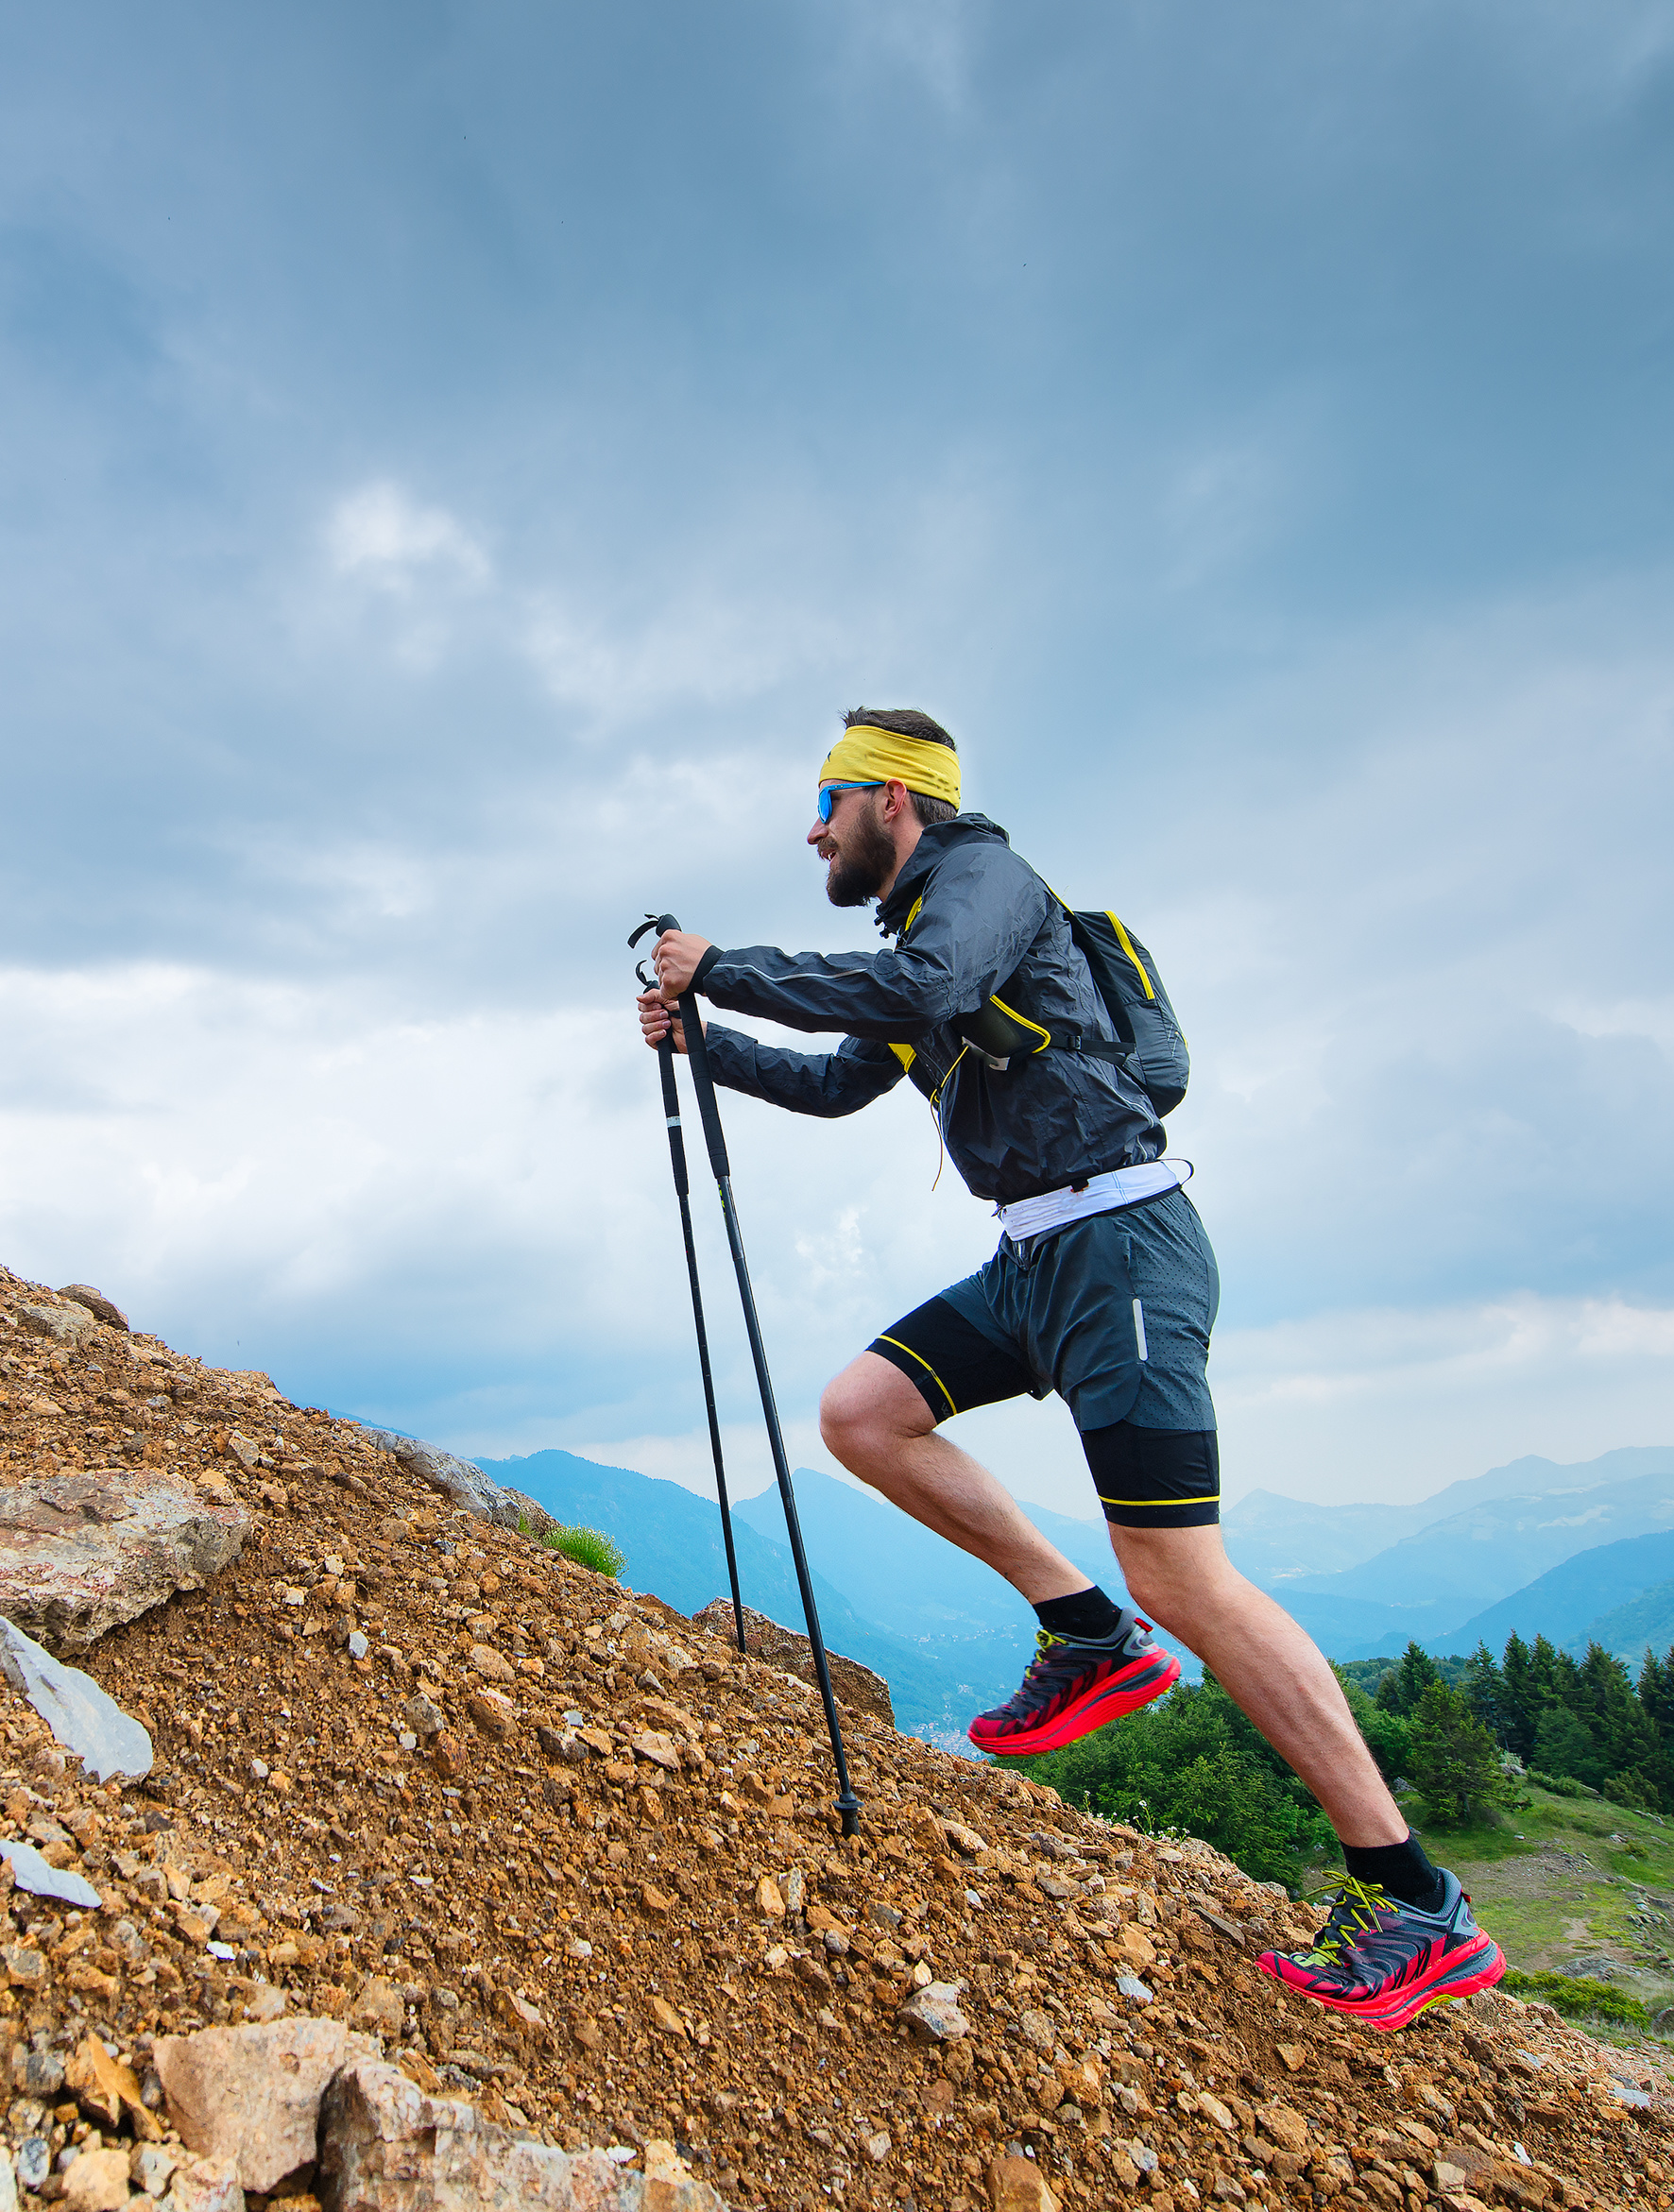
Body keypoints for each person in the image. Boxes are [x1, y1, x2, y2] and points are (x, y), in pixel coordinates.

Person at [634, 707, 1504, 2031]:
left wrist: (724, 970)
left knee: (1183, 1570)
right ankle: (1090, 1634)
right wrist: (707, 1041)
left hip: (1122, 1249)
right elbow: (838, 1082)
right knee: (864, 1414)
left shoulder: (982, 884)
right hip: (1038, 1259)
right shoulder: (926, 933)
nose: (811, 825)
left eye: (827, 797)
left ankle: (1418, 1900)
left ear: (894, 799)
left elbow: (917, 996)